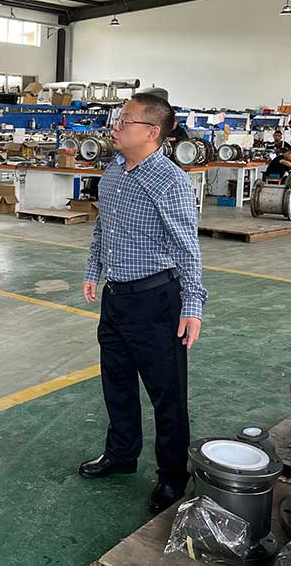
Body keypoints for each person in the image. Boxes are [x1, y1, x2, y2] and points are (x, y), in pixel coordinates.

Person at [79, 93, 207, 515]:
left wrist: (192, 305)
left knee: (167, 394)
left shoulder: (170, 182)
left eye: (125, 121)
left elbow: (187, 248)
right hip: (116, 298)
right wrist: (94, 270)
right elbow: (103, 227)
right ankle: (121, 453)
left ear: (152, 132)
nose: (115, 127)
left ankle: (172, 475)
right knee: (116, 383)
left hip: (156, 301)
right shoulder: (114, 171)